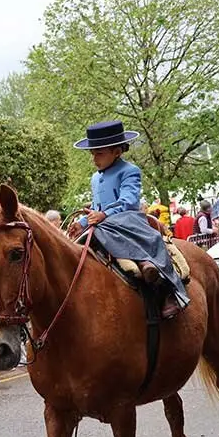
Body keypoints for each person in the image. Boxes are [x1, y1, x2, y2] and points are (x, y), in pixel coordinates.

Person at [66, 121, 189, 319]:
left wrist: (104, 215)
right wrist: (81, 223)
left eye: (99, 154)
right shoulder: (95, 178)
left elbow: (129, 200)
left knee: (152, 241)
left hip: (127, 220)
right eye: (92, 154)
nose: (94, 159)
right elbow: (96, 208)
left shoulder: (130, 170)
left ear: (116, 152)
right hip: (102, 223)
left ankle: (166, 288)